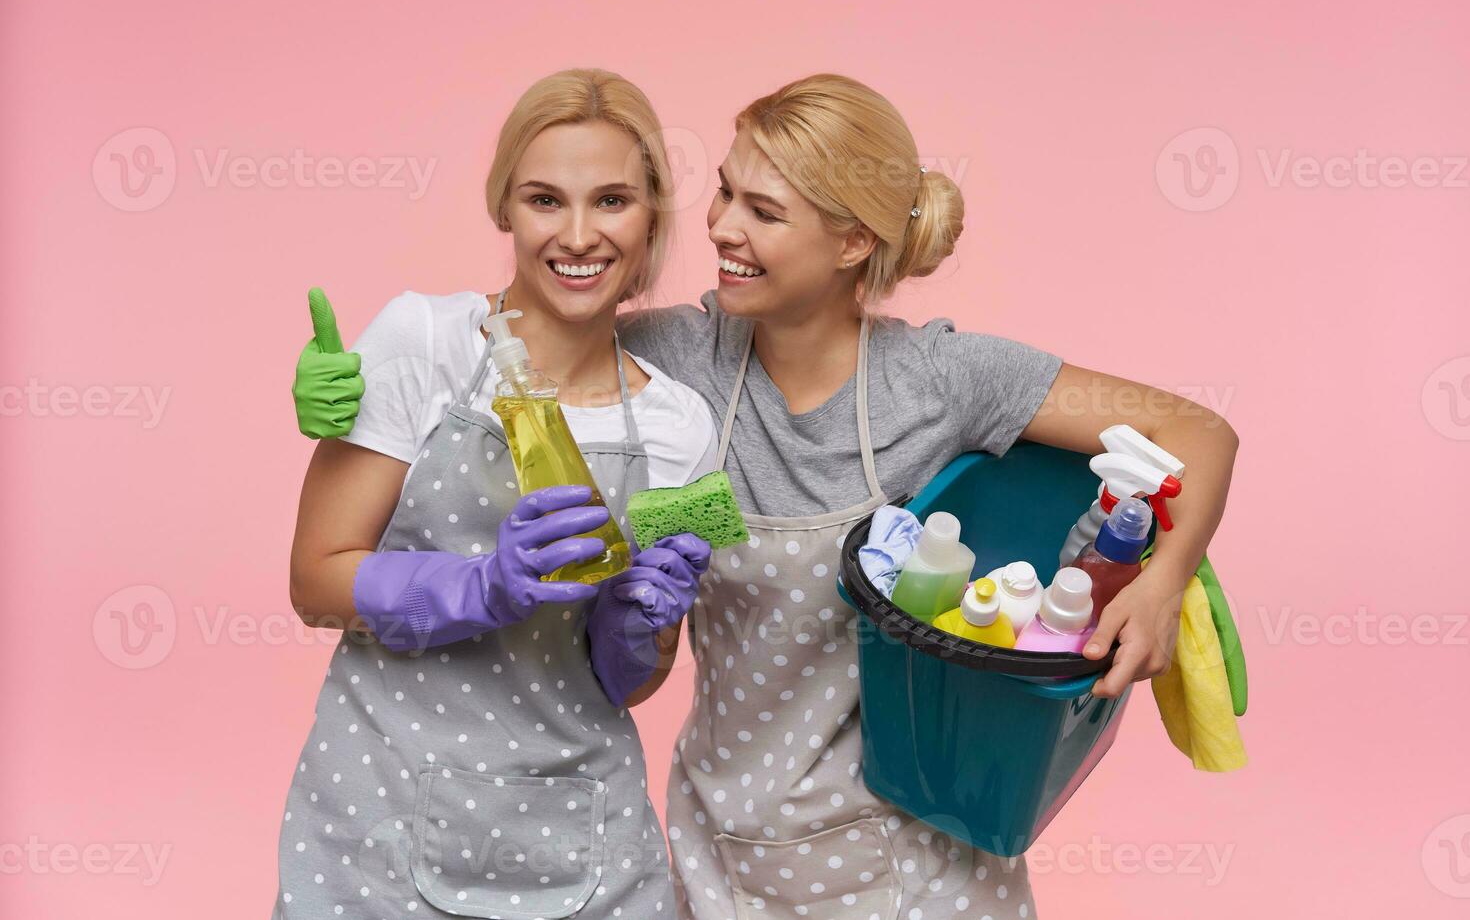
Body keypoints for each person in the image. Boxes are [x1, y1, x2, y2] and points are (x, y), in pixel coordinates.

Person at [291, 72, 1240, 920]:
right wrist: (361, 382)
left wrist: (1161, 585)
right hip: (725, 846)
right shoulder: (675, 367)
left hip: (913, 845)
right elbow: (539, 316)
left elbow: (1197, 431)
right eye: (723, 193)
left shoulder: (945, 378)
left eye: (764, 211)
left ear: (852, 239)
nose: (721, 229)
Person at [275, 69, 717, 919]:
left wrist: (640, 629)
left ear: (652, 213)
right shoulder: (421, 340)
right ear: (504, 209)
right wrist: (479, 588)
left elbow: (639, 681)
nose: (580, 235)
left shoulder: (685, 424)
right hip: (381, 815)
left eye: (613, 201)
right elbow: (312, 582)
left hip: (584, 837)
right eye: (546, 200)